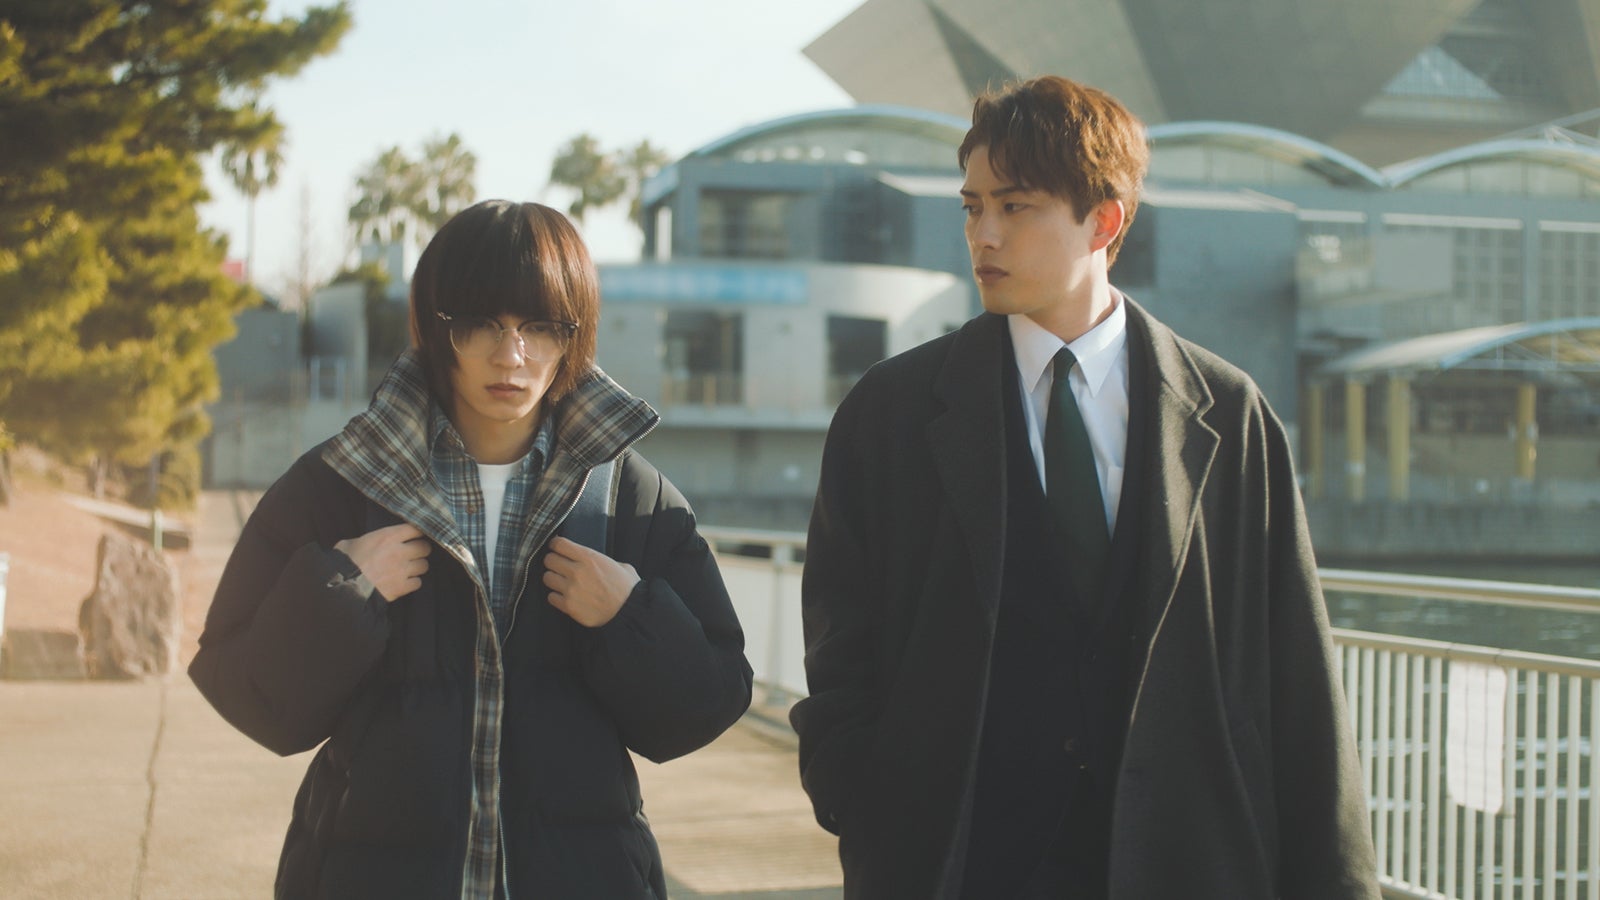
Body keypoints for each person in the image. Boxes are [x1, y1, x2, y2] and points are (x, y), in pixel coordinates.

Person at [790, 76, 1379, 899]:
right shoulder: (891, 412)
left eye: (1016, 207)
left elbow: (1298, 679)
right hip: (956, 860)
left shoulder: (1229, 413)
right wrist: (864, 800)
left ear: (1105, 220)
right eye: (972, 207)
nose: (983, 234)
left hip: (1184, 860)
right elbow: (840, 645)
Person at [190, 200, 753, 899]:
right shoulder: (341, 482)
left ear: (574, 337)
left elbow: (708, 705)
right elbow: (248, 697)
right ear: (435, 330)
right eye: (480, 324)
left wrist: (631, 617)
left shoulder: (629, 496)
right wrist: (340, 594)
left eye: (540, 327)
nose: (510, 355)